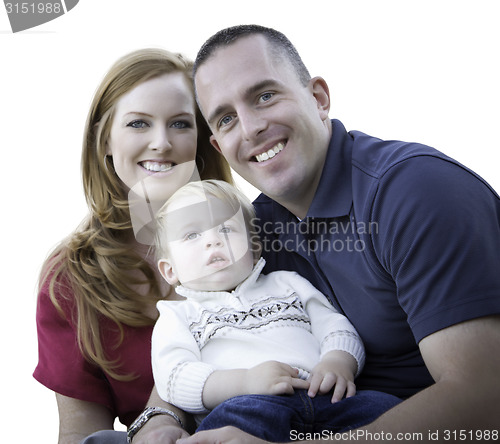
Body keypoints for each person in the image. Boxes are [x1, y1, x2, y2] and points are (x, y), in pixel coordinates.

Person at [182, 24, 500, 443]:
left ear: (318, 99)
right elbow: (194, 323)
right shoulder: (254, 230)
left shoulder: (415, 191)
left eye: (264, 96)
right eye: (226, 119)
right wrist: (159, 418)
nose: (250, 127)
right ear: (220, 147)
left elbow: (484, 401)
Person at [33, 48, 232, 444]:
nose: (161, 143)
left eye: (179, 123)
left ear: (202, 140)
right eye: (139, 124)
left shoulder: (250, 236)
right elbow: (81, 434)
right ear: (104, 139)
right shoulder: (71, 278)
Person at [151, 179, 401, 442]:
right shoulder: (177, 315)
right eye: (192, 235)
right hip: (246, 406)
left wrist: (338, 361)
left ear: (254, 248)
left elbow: (334, 325)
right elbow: (174, 376)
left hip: (326, 395)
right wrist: (245, 382)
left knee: (385, 409)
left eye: (226, 229)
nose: (213, 241)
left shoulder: (288, 282)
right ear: (170, 270)